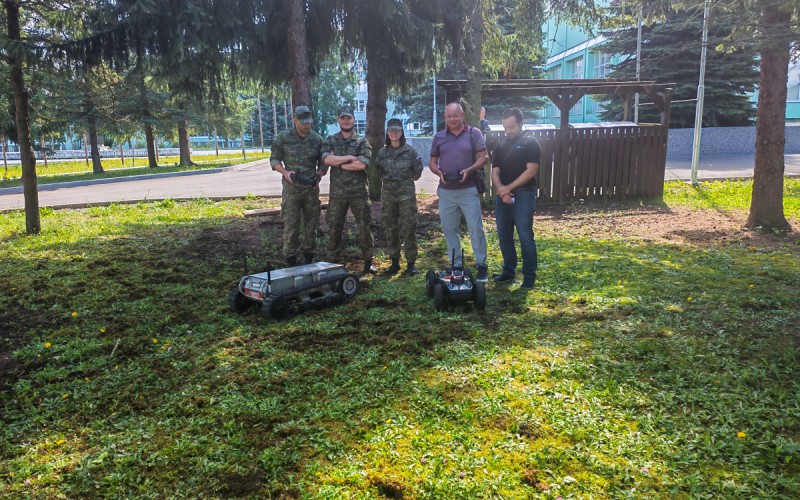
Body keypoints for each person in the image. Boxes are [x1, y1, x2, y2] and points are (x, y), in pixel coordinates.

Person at [428, 102, 489, 282]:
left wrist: (469, 170)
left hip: (468, 189)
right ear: (445, 117)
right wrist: (439, 172)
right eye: (448, 116)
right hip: (446, 191)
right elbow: (432, 162)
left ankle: (481, 265)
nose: (452, 119)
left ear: (462, 115)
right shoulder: (439, 137)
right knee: (449, 229)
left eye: (455, 115)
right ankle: (456, 264)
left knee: (475, 227)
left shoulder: (473, 133)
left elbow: (484, 157)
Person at [321, 106, 376, 274]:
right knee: (334, 227)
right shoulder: (330, 140)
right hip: (337, 194)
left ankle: (368, 261)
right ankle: (332, 262)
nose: (346, 120)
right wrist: (349, 158)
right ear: (338, 120)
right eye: (343, 117)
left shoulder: (362, 141)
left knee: (364, 227)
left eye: (349, 117)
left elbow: (362, 164)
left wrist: (338, 162)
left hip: (359, 193)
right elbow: (326, 160)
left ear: (353, 119)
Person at [491, 107, 541, 289]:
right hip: (503, 197)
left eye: (511, 127)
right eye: (505, 127)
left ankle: (529, 275)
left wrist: (508, 188)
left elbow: (531, 171)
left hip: (523, 195)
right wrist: (501, 189)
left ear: (521, 123)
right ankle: (508, 271)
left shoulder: (531, 143)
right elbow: (494, 171)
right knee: (504, 235)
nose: (508, 131)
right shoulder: (500, 145)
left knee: (525, 235)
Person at [270, 105, 324, 267]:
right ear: (295, 120)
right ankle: (290, 261)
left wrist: (319, 175)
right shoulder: (283, 137)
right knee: (291, 225)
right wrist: (285, 173)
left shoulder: (317, 139)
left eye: (309, 122)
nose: (307, 125)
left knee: (311, 225)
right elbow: (274, 160)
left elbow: (323, 163)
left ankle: (308, 258)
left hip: (310, 190)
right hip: (291, 189)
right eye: (303, 122)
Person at [376, 118, 424, 276]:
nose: (394, 133)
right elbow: (378, 171)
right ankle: (394, 261)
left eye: (397, 130)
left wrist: (406, 181)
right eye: (391, 130)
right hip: (389, 194)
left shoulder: (410, 151)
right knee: (391, 228)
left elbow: (418, 170)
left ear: (402, 132)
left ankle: (411, 262)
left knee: (409, 227)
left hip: (406, 194)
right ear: (387, 132)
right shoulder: (382, 153)